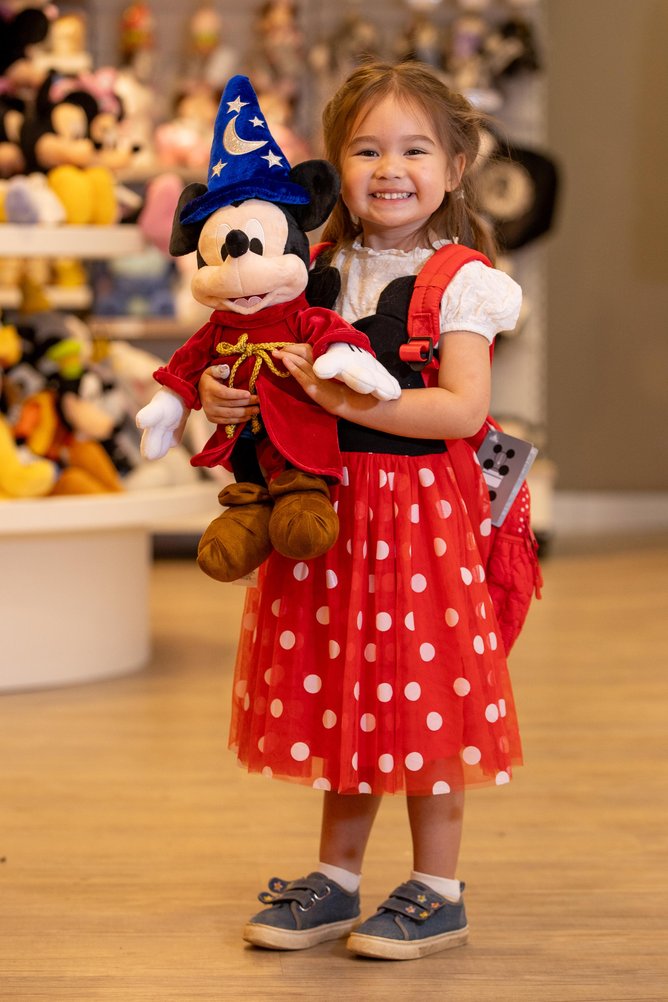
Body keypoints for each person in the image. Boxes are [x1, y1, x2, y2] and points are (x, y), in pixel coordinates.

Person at [199, 61, 523, 961]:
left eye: (416, 149)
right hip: (331, 516)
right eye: (367, 148)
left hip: (419, 518)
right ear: (334, 169)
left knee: (425, 698)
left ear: (456, 167)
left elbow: (459, 411)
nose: (391, 167)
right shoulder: (309, 267)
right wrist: (230, 394)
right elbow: (258, 359)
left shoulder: (460, 279)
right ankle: (337, 881)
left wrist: (349, 407)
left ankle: (438, 887)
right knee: (345, 691)